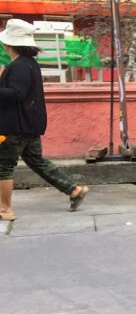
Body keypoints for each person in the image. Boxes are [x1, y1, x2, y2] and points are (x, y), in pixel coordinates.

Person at [0, 19, 88, 221]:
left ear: (9, 44)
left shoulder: (19, 66)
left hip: (14, 127)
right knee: (37, 161)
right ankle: (73, 190)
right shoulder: (28, 63)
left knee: (3, 167)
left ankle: (5, 210)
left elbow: (17, 93)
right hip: (28, 125)